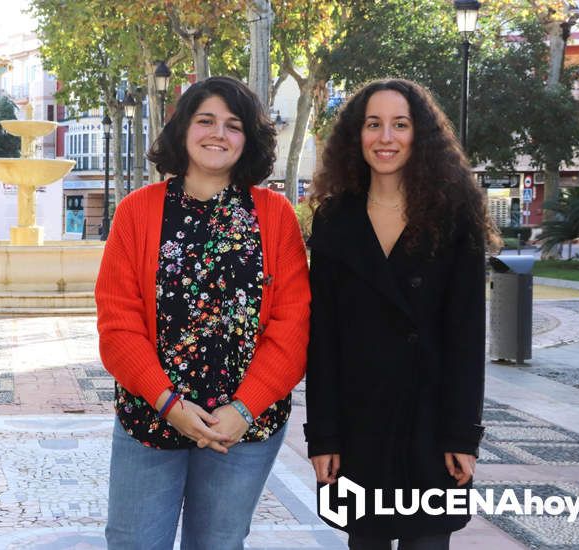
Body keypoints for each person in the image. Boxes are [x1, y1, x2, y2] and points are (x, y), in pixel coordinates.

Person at [95, 76, 311, 549]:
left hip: (242, 429)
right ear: (182, 129)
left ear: (248, 140)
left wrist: (243, 409)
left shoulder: (275, 216)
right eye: (206, 120)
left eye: (234, 125)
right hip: (151, 419)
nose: (219, 133)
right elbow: (118, 326)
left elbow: (291, 328)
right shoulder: (137, 212)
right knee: (134, 542)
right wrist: (168, 404)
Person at [303, 78, 498, 549]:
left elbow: (467, 337)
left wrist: (462, 435)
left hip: (431, 425)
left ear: (420, 135)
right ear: (357, 134)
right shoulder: (333, 218)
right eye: (374, 124)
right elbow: (323, 339)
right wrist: (323, 437)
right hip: (359, 425)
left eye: (400, 125)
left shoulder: (456, 216)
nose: (385, 138)